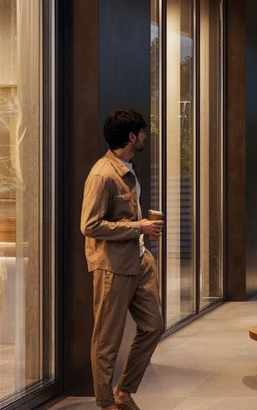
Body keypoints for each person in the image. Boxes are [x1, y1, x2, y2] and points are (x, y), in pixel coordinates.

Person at [81, 109, 165, 410]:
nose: (145, 136)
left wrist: (143, 232)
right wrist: (136, 227)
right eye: (142, 132)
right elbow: (89, 225)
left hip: (138, 261)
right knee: (107, 341)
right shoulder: (102, 174)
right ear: (132, 136)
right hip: (112, 267)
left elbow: (126, 215)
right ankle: (107, 403)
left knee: (154, 326)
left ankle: (124, 390)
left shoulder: (128, 167)